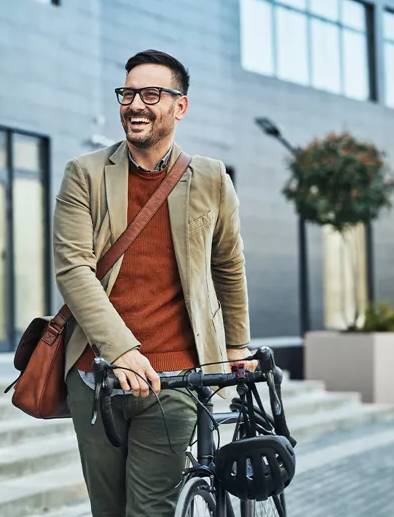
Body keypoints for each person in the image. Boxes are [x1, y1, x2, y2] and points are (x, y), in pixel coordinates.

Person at [53, 49, 254, 517]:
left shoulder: (210, 178)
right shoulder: (84, 174)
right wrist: (119, 350)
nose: (135, 104)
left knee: (150, 510)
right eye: (128, 93)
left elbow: (229, 266)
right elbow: (73, 268)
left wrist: (238, 345)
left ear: (179, 106)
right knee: (108, 509)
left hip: (176, 379)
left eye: (151, 94)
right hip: (95, 373)